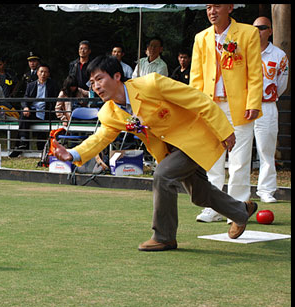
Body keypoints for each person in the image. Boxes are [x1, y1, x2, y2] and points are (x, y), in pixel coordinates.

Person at [53, 55, 258, 251]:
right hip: (169, 150)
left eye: (99, 79)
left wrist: (224, 130)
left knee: (163, 175)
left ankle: (164, 237)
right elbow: (101, 137)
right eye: (91, 83)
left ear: (117, 76)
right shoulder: (108, 112)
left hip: (196, 137)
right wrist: (73, 154)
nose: (96, 86)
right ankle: (241, 211)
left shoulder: (151, 84)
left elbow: (197, 99)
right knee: (199, 195)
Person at [190, 4, 263, 223]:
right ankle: (213, 206)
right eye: (208, 7)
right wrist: (196, 106)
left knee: (240, 158)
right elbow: (196, 76)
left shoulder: (248, 32)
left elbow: (255, 72)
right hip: (210, 106)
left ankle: (237, 207)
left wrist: (254, 102)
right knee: (212, 158)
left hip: (239, 105)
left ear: (230, 7)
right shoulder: (201, 37)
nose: (212, 11)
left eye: (217, 6)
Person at [252, 16, 289, 203]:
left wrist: (268, 96)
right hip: (242, 106)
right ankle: (238, 191)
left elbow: (281, 84)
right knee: (238, 150)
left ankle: (265, 190)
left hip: (266, 106)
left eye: (262, 27)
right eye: (255, 27)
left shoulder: (279, 55)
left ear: (270, 31)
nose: (258, 31)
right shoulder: (243, 52)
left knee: (266, 150)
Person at [9, 63, 59, 157]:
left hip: (46, 112)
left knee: (41, 137)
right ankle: (23, 141)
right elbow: (25, 98)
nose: (43, 74)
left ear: (48, 74)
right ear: (37, 73)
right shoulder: (31, 85)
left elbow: (56, 100)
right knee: (24, 114)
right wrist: (26, 107)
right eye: (41, 72)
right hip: (33, 111)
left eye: (45, 72)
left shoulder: (53, 85)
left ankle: (31, 148)